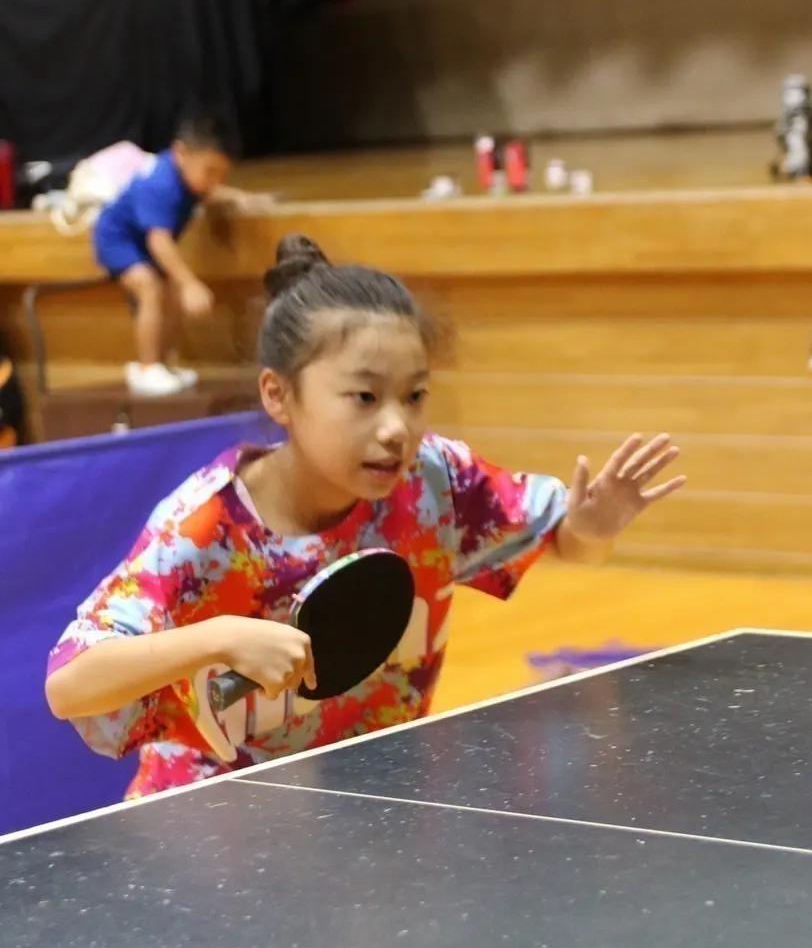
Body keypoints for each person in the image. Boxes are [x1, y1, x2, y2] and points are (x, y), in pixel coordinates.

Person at [45, 234, 685, 800]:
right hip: (211, 827)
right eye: (365, 396)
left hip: (376, 805)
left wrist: (591, 530)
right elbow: (69, 684)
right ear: (279, 395)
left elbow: (567, 544)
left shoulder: (436, 481)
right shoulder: (205, 531)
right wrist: (219, 638)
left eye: (415, 395)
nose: (396, 426)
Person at [91, 111, 271, 397]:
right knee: (150, 288)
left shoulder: (189, 174)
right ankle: (147, 368)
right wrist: (189, 283)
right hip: (117, 240)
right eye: (210, 171)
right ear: (181, 153)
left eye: (222, 174)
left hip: (145, 242)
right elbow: (159, 241)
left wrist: (239, 197)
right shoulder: (160, 184)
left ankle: (161, 364)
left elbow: (210, 192)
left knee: (171, 296)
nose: (215, 180)